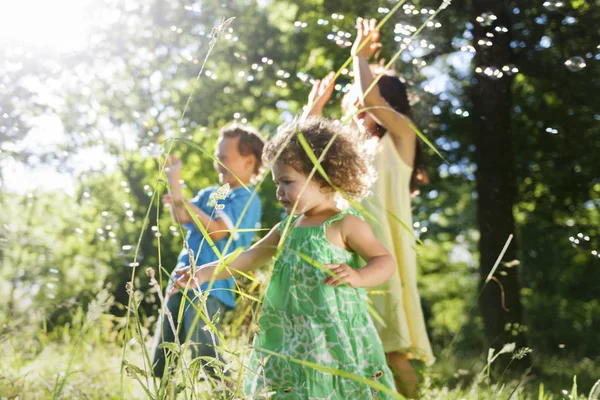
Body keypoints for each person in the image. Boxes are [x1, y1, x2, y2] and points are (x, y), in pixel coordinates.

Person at [171, 118, 398, 398]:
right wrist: (205, 272)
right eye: (277, 182)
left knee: (336, 387)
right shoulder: (287, 227)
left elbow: (384, 260)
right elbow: (252, 256)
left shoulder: (345, 224)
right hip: (291, 334)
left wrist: (360, 276)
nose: (279, 191)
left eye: (287, 182)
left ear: (323, 177)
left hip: (333, 332)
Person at [302, 18, 434, 398]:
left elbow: (374, 101)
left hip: (383, 256)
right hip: (346, 251)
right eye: (354, 109)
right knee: (344, 347)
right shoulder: (351, 157)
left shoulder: (401, 138)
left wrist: (359, 58)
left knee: (390, 347)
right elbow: (307, 156)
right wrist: (316, 109)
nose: (361, 115)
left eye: (367, 107)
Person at [151, 124, 265, 380]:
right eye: (216, 156)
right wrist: (173, 179)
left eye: (224, 158)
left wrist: (187, 204)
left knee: (205, 350)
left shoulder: (246, 198)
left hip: (211, 285)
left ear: (248, 162)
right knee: (162, 352)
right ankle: (160, 391)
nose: (217, 163)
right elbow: (181, 216)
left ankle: (226, 392)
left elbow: (217, 231)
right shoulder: (213, 194)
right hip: (182, 279)